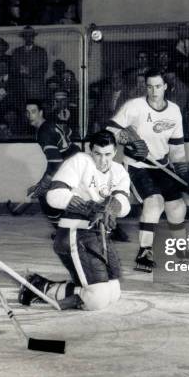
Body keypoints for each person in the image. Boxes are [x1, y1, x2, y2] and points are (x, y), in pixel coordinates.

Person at [18, 130, 130, 311]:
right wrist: (88, 207)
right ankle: (39, 287)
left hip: (98, 237)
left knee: (114, 292)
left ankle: (45, 285)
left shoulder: (118, 171)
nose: (103, 160)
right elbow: (54, 195)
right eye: (97, 154)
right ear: (90, 150)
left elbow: (124, 202)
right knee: (97, 300)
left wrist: (112, 208)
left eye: (108, 154)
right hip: (74, 235)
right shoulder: (79, 161)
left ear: (115, 152)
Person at [106, 68, 189, 272]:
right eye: (150, 87)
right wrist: (128, 140)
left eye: (158, 86)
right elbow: (110, 130)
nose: (154, 91)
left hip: (162, 166)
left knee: (177, 207)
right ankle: (145, 252)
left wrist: (183, 173)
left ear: (166, 86)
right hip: (138, 166)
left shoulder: (174, 110)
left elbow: (176, 147)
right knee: (154, 203)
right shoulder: (134, 107)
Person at [25, 99, 80, 228]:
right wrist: (42, 182)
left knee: (45, 195)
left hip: (71, 165)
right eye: (27, 112)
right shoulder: (49, 124)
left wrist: (43, 184)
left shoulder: (43, 133)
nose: (29, 115)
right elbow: (68, 133)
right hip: (75, 161)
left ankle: (62, 231)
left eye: (33, 111)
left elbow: (56, 163)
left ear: (41, 112)